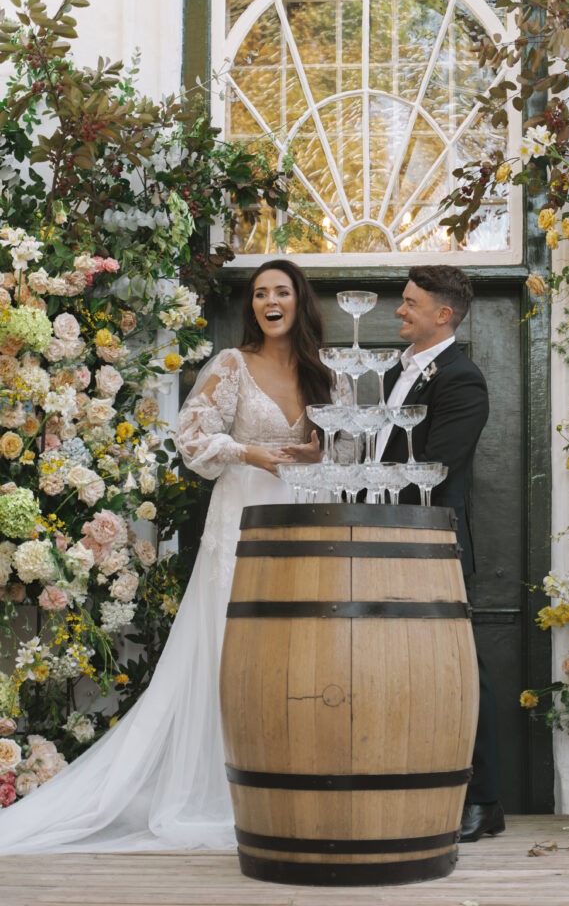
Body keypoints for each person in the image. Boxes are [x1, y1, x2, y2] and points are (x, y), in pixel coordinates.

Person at [0, 259, 330, 853]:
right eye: (259, 294)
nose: (269, 302)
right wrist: (253, 452)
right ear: (252, 305)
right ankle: (227, 788)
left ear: (300, 301)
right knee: (235, 644)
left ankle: (294, 776)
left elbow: (350, 444)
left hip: (306, 513)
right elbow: (192, 436)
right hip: (243, 514)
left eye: (281, 291)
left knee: (300, 644)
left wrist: (315, 455)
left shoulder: (325, 373)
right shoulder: (234, 365)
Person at [377, 264, 505, 844]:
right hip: (384, 540)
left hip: (432, 545)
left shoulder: (461, 378)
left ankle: (484, 801)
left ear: (442, 314)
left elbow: (435, 468)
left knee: (457, 676)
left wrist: (370, 490)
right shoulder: (394, 374)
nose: (399, 310)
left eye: (409, 303)